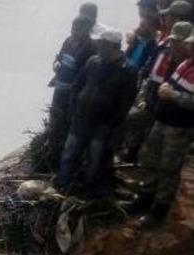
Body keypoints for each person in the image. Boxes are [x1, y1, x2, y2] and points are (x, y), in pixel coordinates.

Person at [56, 30, 139, 195]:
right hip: (80, 119)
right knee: (68, 155)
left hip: (102, 125)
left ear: (112, 46)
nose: (98, 45)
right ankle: (61, 186)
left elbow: (126, 103)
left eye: (102, 43)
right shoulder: (93, 61)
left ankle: (87, 190)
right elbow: (77, 85)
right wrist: (73, 107)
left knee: (94, 161)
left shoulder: (128, 70)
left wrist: (111, 125)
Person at [137, 32, 194, 226]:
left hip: (179, 128)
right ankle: (144, 198)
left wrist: (173, 95)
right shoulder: (184, 64)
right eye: (190, 45)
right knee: (150, 158)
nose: (190, 48)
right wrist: (166, 88)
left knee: (168, 168)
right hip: (162, 121)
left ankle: (159, 210)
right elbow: (171, 83)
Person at [121, 21, 194, 164]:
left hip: (179, 123)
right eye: (173, 41)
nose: (174, 44)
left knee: (169, 164)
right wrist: (145, 96)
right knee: (152, 151)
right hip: (159, 110)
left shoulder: (183, 62)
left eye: (180, 42)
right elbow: (152, 76)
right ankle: (144, 177)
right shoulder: (179, 62)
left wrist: (173, 95)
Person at [45, 16, 98, 172]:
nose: (74, 32)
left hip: (73, 94)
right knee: (54, 120)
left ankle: (64, 161)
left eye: (78, 30)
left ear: (87, 30)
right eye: (73, 29)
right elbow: (59, 58)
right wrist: (55, 64)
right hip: (59, 89)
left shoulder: (91, 48)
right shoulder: (68, 41)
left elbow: (86, 76)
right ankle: (52, 153)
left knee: (67, 124)